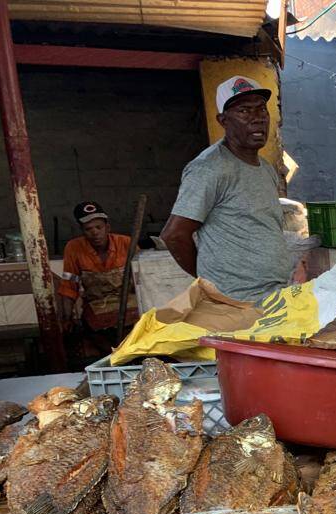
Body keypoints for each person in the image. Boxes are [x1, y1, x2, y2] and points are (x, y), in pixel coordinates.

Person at [161, 76, 290, 303]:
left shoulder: (266, 169)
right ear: (223, 120)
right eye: (244, 111)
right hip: (235, 303)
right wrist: (211, 284)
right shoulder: (209, 168)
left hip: (273, 296)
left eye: (261, 110)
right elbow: (174, 235)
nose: (258, 119)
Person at [58, 201, 136, 340]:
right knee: (100, 335)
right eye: (88, 229)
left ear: (107, 227)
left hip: (129, 303)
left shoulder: (127, 243)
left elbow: (141, 280)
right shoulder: (73, 248)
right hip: (96, 306)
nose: (95, 233)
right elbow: (70, 284)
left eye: (99, 227)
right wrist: (67, 318)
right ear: (82, 231)